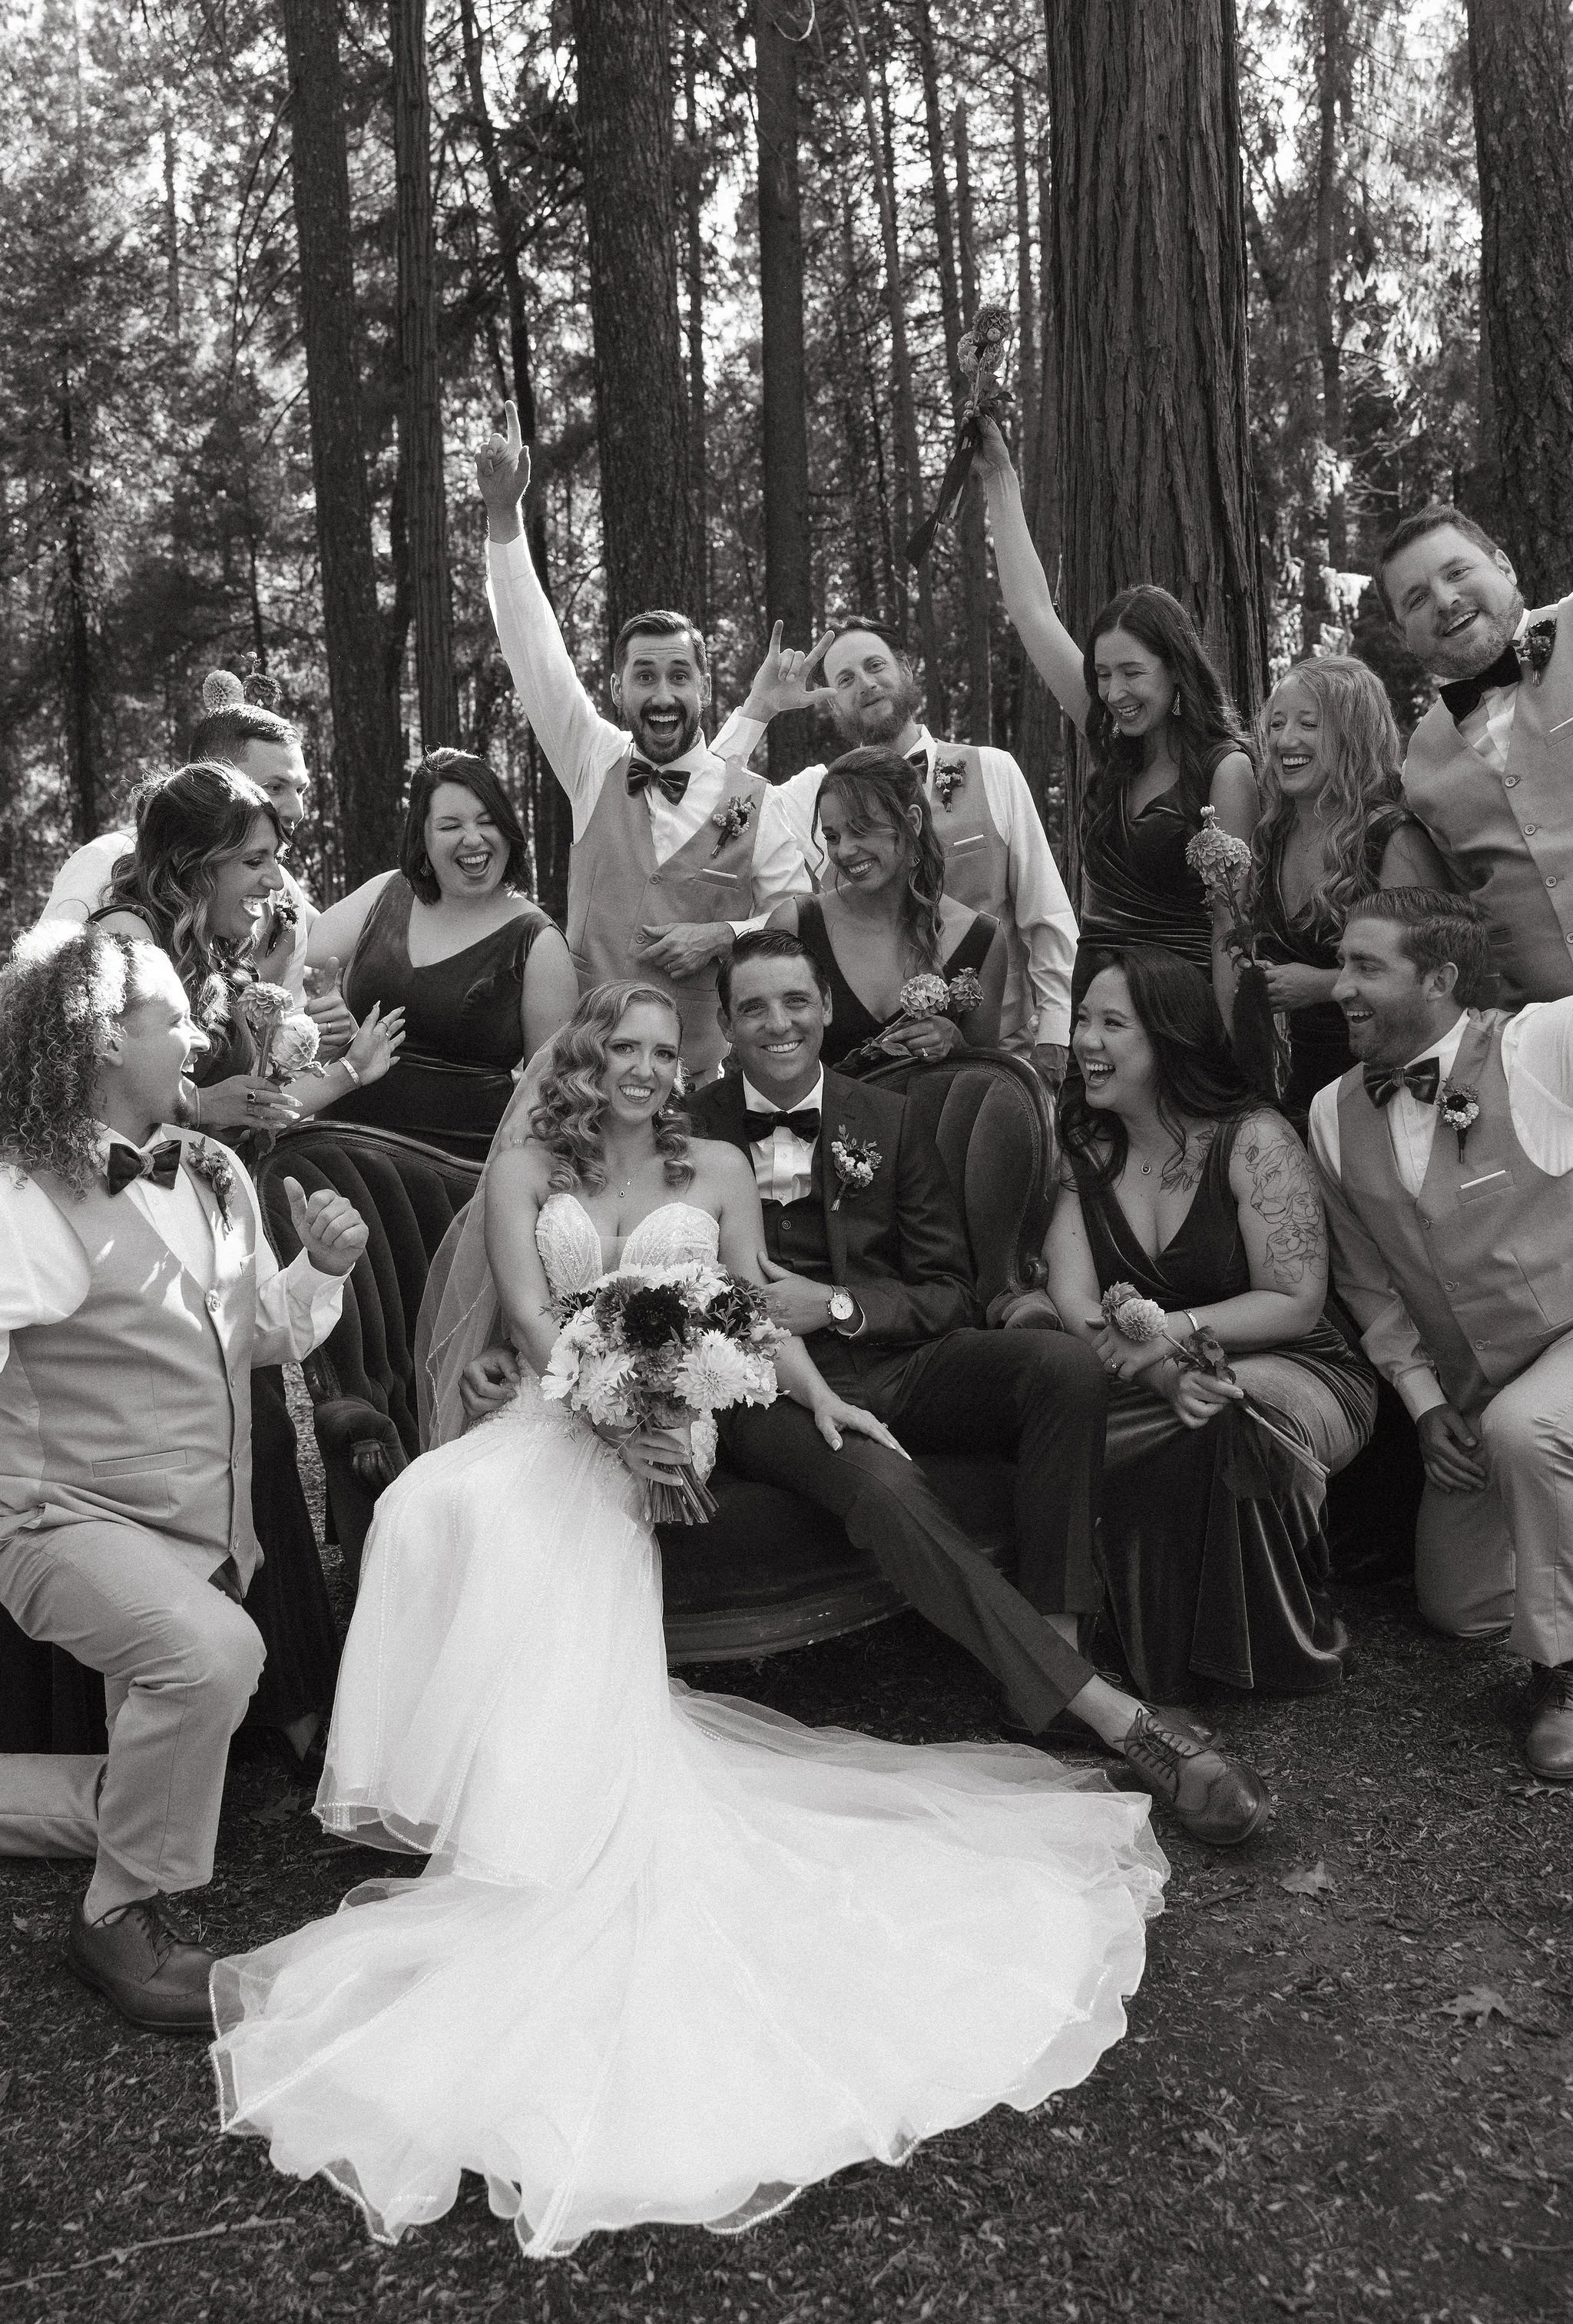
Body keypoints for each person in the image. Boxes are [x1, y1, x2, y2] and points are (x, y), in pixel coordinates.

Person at [208, 980, 1174, 2258]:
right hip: (563, 1415)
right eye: (628, 1047)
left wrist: (817, 1403)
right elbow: (527, 1323)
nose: (652, 1068)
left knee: (552, 1534)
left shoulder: (713, 1163)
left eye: (670, 1050)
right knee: (433, 1510)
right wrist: (617, 1415)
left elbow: (744, 1306)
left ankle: (555, 1811)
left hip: (682, 1417)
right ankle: (478, 1798)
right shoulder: (522, 1174)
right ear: (584, 1056)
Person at [0, 926, 366, 2029]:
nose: (201, 1032)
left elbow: (254, 1339)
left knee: (152, 1763)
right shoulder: (25, 1197)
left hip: (198, 1533)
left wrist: (325, 1269)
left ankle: (83, 1814)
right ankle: (119, 1920)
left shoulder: (211, 1174)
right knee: (215, 1657)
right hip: (59, 1519)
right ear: (107, 1038)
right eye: (174, 1018)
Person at [93, 761, 403, 1764]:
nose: (275, 880)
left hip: (218, 1219)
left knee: (267, 1425)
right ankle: (259, 1715)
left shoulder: (213, 953)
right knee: (237, 1435)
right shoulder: (119, 946)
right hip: (125, 1240)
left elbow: (237, 1090)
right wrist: (204, 1107)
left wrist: (282, 1078)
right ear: (195, 861)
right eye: (257, 861)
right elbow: (69, 1111)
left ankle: (298, 1704)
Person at [1018, 946, 1374, 1702]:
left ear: (1169, 1039)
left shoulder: (1253, 1139)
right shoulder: (1083, 1152)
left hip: (1298, 1366)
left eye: (1111, 1023)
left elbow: (1292, 1301)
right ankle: (1106, 1642)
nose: (1084, 1040)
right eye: (1082, 1018)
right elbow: (1077, 1305)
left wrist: (1163, 1331)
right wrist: (1157, 1367)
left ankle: (1265, 1641)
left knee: (1222, 1416)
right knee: (1074, 1432)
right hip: (1138, 1372)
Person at [1308, 888, 1573, 1780]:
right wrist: (1422, 1407)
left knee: (1525, 1430)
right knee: (1457, 1609)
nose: (1338, 985)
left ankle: (1559, 1677)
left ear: (1441, 979)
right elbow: (1368, 1288)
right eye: (1341, 962)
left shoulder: (1537, 1047)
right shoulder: (1328, 1114)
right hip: (1469, 1387)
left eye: (1365, 966)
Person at [475, 401, 810, 1078]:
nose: (662, 695)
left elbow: (797, 920)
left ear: (705, 686)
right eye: (645, 676)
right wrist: (505, 517)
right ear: (619, 688)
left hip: (701, 1085)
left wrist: (725, 935)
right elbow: (534, 649)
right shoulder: (591, 761)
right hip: (582, 1073)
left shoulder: (758, 801)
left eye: (678, 675)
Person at [716, 617, 1080, 1085]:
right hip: (858, 1079)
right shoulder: (815, 794)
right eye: (844, 680)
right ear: (832, 703)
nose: (864, 685)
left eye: (875, 666)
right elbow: (718, 803)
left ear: (905, 669)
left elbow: (1045, 912)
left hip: (994, 1063)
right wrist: (758, 709)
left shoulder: (991, 769)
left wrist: (1055, 1034)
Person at [971, 417, 1258, 1006]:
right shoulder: (1111, 740)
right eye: (1102, 675)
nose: (1113, 692)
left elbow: (1235, 927)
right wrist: (1000, 478)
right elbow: (1033, 612)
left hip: (1179, 1008)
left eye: (1133, 673)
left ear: (1176, 669)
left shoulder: (1225, 771)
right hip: (1098, 1001)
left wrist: (1236, 1059)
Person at [38, 671, 355, 1050]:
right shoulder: (105, 862)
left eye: (301, 789)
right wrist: (201, 1106)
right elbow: (56, 1014)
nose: (297, 809)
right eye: (273, 788)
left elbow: (280, 1028)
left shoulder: (279, 888)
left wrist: (322, 1037)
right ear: (212, 780)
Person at [306, 747, 578, 1162]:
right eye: (451, 825)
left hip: (458, 1176)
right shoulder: (388, 893)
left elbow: (550, 1094)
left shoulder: (536, 941)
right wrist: (318, 1015)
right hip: (343, 1155)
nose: (474, 839)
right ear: (424, 838)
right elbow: (288, 952)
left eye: (488, 822)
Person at [1224, 655, 1451, 1124]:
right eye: (1277, 724)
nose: (1286, 741)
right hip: (1295, 1089)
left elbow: (1433, 978)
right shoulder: (1269, 838)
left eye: (1309, 724)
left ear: (1354, 735)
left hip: (1388, 1084)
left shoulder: (1392, 840)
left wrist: (1322, 986)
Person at [1376, 504, 1573, 1008]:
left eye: (1458, 571)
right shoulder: (1420, 759)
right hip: (1540, 1048)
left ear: (1504, 566)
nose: (1445, 600)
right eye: (1416, 598)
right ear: (1403, 635)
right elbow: (1469, 909)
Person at [763, 748, 1007, 1071]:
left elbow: (986, 1079)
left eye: (862, 830)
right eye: (832, 836)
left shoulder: (983, 939)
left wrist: (956, 1043)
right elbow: (759, 1050)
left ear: (912, 822)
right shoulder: (796, 924)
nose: (845, 851)